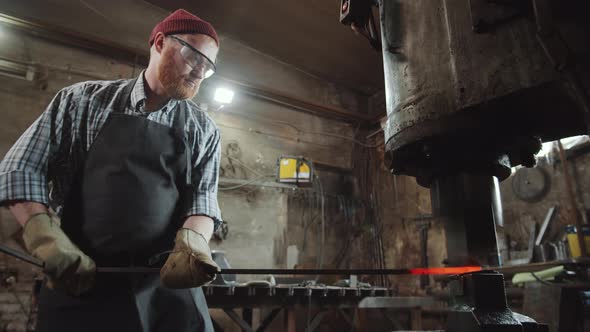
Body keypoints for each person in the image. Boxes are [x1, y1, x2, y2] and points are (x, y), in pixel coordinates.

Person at [0, 9, 223, 332]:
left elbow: (203, 201)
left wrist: (194, 241)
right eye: (194, 56)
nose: (199, 72)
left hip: (163, 284)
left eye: (208, 67)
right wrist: (46, 239)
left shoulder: (203, 129)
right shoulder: (81, 102)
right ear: (160, 43)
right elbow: (19, 170)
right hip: (80, 275)